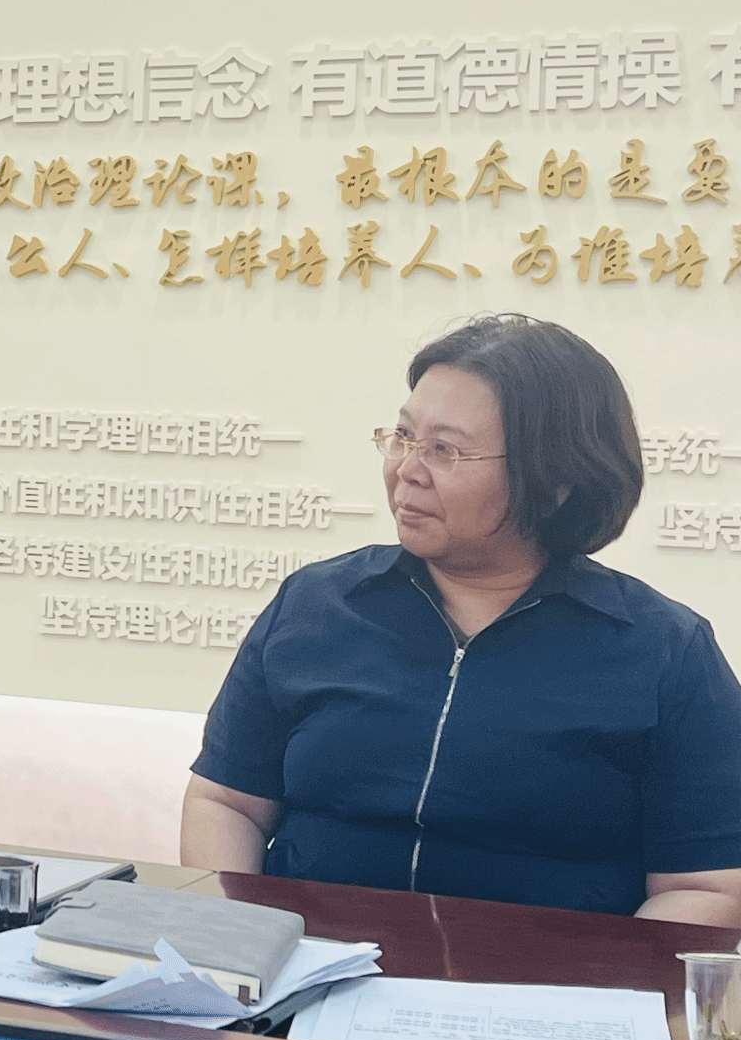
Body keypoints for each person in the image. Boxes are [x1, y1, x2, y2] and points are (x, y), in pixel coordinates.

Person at [182, 314, 741, 924]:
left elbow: (707, 887)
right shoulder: (317, 605)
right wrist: (238, 941)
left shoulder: (664, 651)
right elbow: (226, 803)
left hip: (543, 977)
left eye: (444, 450)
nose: (406, 469)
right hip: (307, 966)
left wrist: (595, 982)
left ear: (555, 480)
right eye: (403, 437)